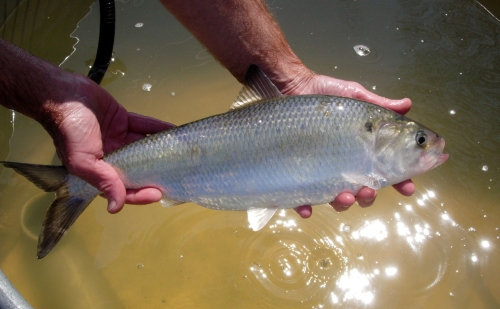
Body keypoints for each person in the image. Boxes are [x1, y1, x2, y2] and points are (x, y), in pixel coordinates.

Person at [0, 0, 414, 219]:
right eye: (419, 140)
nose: (426, 147)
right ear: (384, 135)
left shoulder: (357, 136)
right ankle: (74, 188)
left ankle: (74, 186)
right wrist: (52, 98)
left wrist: (288, 80)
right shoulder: (358, 135)